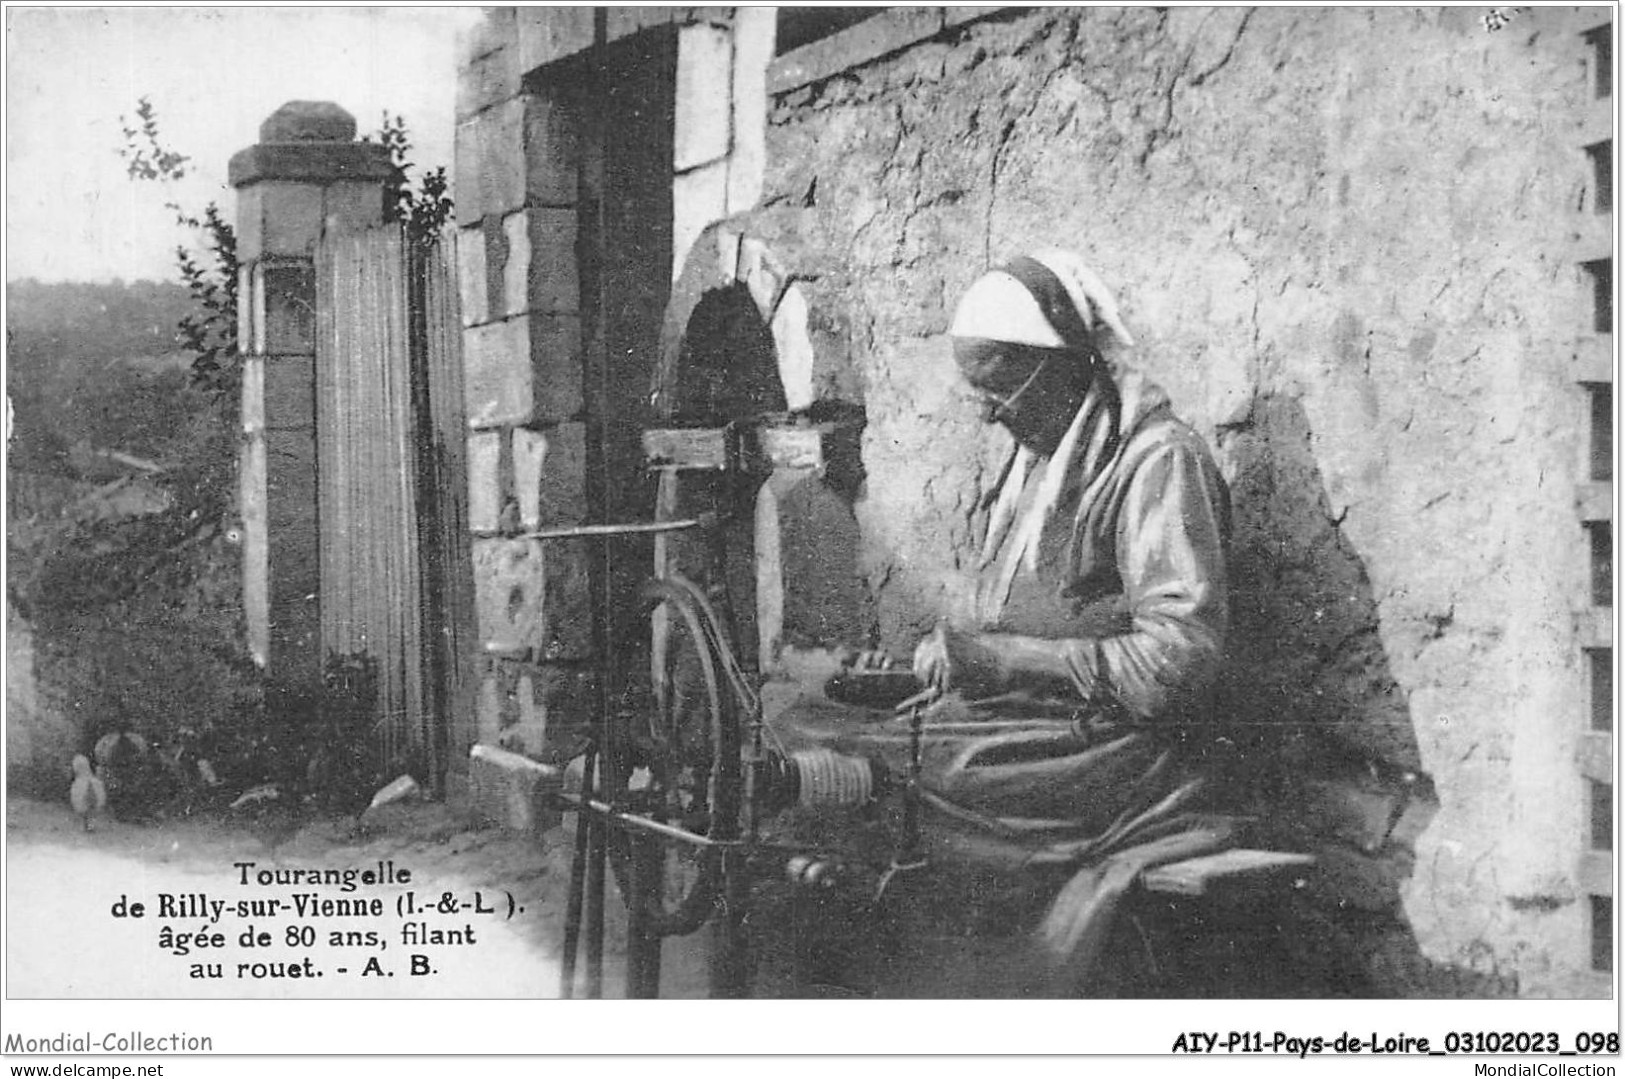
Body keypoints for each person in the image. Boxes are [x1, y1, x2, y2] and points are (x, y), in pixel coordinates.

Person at [892, 249, 1239, 985]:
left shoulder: (1155, 463)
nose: (988, 412)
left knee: (893, 772)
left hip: (1128, 756)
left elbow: (1179, 664)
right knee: (810, 726)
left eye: (999, 389)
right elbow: (1023, 606)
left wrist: (1006, 661)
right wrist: (954, 650)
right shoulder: (1039, 461)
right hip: (1041, 730)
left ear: (1061, 366)